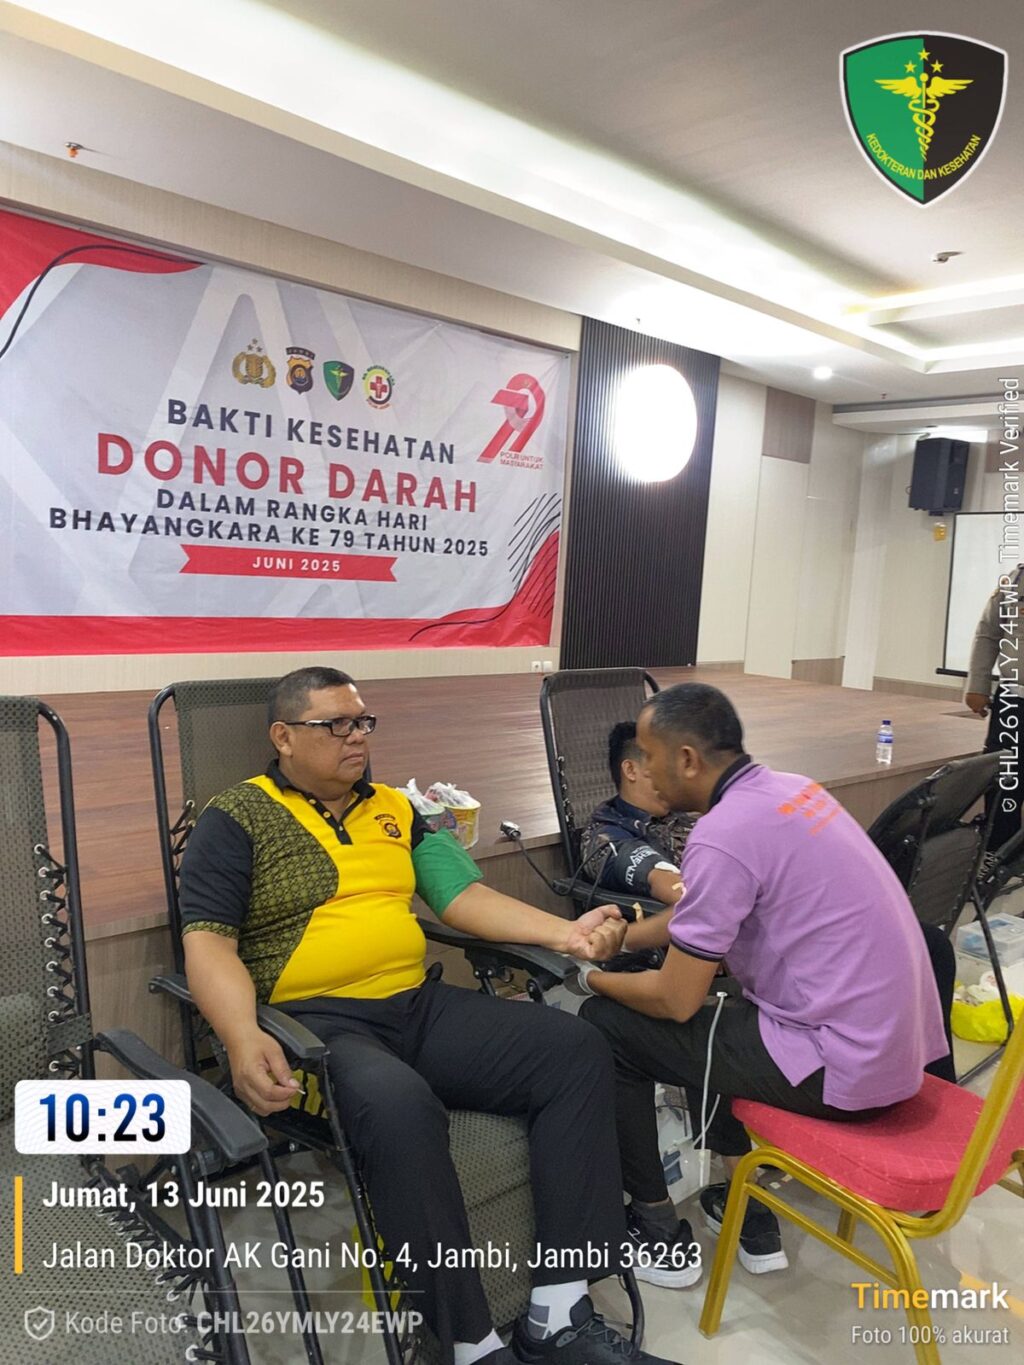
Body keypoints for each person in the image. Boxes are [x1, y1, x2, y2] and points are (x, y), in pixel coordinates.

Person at [179, 666, 679, 1365]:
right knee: (400, 1104)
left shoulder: (395, 807)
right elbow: (208, 941)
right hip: (315, 1025)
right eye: (335, 725)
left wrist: (565, 933)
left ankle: (559, 1311)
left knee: (575, 1047)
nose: (357, 737)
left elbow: (460, 896)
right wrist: (240, 1036)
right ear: (283, 737)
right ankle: (467, 1342)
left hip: (416, 1004)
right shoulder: (235, 817)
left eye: (363, 722)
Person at [576, 683, 948, 1289]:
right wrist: (625, 940)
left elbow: (674, 1000)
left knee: (608, 1024)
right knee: (721, 1012)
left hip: (845, 1072)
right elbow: (704, 912)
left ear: (687, 759)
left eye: (650, 755)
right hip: (897, 1052)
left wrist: (590, 978)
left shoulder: (721, 834)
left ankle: (655, 1227)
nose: (644, 769)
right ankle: (742, 1195)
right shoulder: (794, 791)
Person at [580, 721, 696, 906]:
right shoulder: (606, 837)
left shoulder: (685, 810)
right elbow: (665, 880)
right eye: (664, 768)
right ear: (631, 770)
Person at [964, 563, 1024, 852]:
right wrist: (978, 684)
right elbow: (988, 633)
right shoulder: (1016, 580)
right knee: (1004, 782)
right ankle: (998, 855)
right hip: (1013, 700)